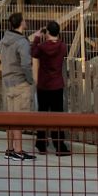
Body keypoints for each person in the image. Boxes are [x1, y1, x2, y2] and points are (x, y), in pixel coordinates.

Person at [31, 20, 71, 155]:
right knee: (57, 116)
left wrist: (37, 37)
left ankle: (41, 143)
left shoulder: (42, 47)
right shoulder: (63, 47)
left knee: (42, 114)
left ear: (47, 32)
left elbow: (33, 53)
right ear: (58, 33)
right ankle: (59, 146)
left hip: (43, 85)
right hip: (57, 85)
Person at [0, 11, 35, 161]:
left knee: (10, 117)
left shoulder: (5, 39)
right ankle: (19, 150)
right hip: (20, 82)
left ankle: (10, 148)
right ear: (21, 23)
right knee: (19, 118)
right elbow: (26, 64)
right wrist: (30, 80)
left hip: (8, 82)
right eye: (24, 20)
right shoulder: (22, 42)